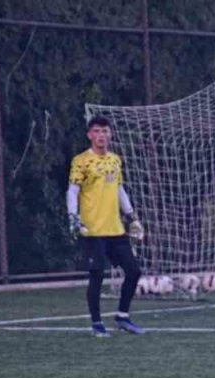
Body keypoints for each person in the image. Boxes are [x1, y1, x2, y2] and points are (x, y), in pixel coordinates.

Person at [67, 115, 145, 337]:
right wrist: (73, 217)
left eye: (105, 131)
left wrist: (132, 216)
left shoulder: (115, 160)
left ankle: (122, 316)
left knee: (134, 271)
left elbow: (119, 190)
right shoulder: (81, 160)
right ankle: (97, 323)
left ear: (110, 134)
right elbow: (73, 190)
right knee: (98, 275)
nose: (101, 135)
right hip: (93, 229)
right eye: (97, 131)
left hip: (115, 229)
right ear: (89, 135)